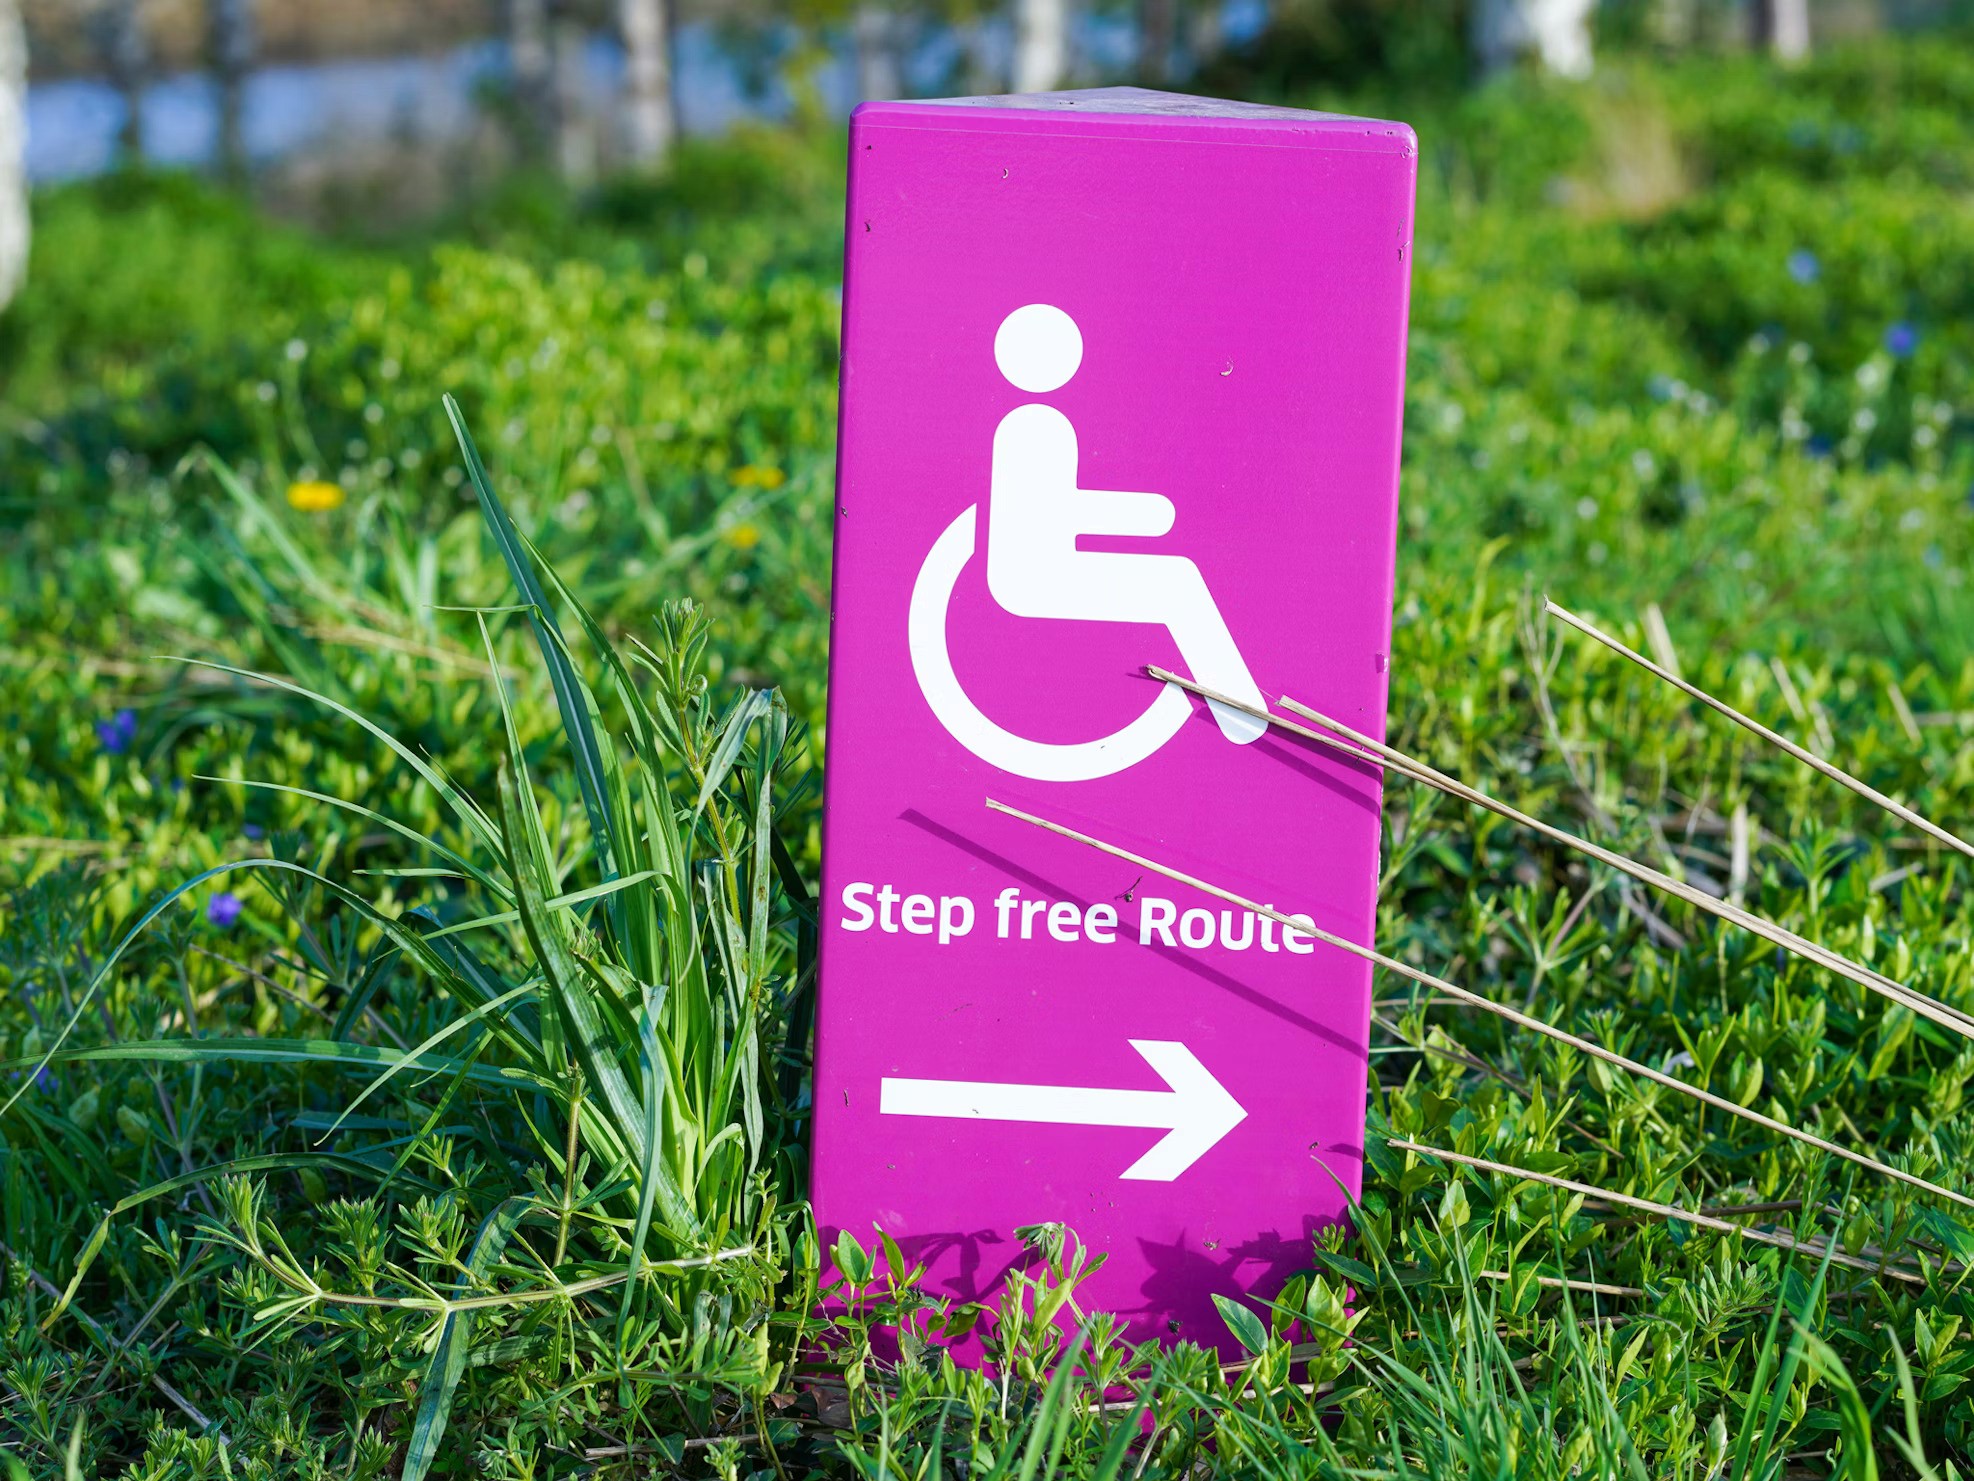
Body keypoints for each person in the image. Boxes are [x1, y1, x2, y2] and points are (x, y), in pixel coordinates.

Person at [984, 303, 1267, 745]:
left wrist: (1146, 516)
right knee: (1176, 581)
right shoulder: (1035, 427)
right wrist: (1148, 514)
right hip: (1035, 577)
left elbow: (1061, 515)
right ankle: (1244, 718)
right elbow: (1052, 517)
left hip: (1053, 562)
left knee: (1176, 579)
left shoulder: (1037, 422)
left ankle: (1239, 710)